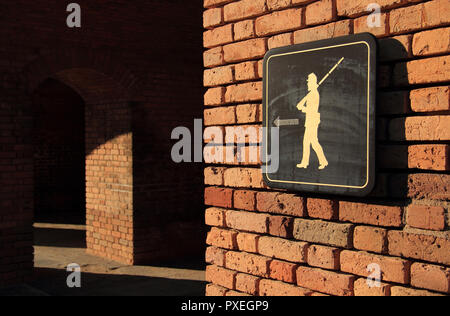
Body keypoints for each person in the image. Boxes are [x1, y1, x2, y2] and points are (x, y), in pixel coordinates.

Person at [296, 73, 328, 170]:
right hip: (310, 120)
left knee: (312, 142)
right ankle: (319, 162)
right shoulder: (311, 94)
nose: (307, 84)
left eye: (309, 82)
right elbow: (301, 105)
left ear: (313, 82)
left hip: (312, 121)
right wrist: (302, 104)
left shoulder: (314, 94)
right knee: (310, 142)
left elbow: (312, 110)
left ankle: (312, 162)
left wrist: (303, 108)